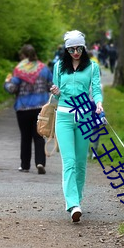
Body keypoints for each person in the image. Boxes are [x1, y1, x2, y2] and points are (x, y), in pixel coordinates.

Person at [50, 30, 103, 222]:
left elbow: (96, 89)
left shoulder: (92, 67)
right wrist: (55, 91)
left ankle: (77, 200)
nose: (75, 52)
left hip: (85, 118)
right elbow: (56, 95)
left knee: (81, 163)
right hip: (63, 117)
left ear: (84, 47)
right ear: (66, 49)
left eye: (79, 48)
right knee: (69, 162)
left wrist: (98, 103)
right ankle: (72, 204)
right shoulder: (58, 67)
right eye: (71, 49)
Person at [4, 44, 53, 174]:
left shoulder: (19, 70)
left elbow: (12, 89)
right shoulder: (44, 69)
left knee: (25, 137)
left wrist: (7, 82)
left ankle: (25, 165)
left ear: (23, 56)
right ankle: (40, 162)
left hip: (23, 108)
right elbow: (51, 86)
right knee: (39, 136)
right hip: (40, 108)